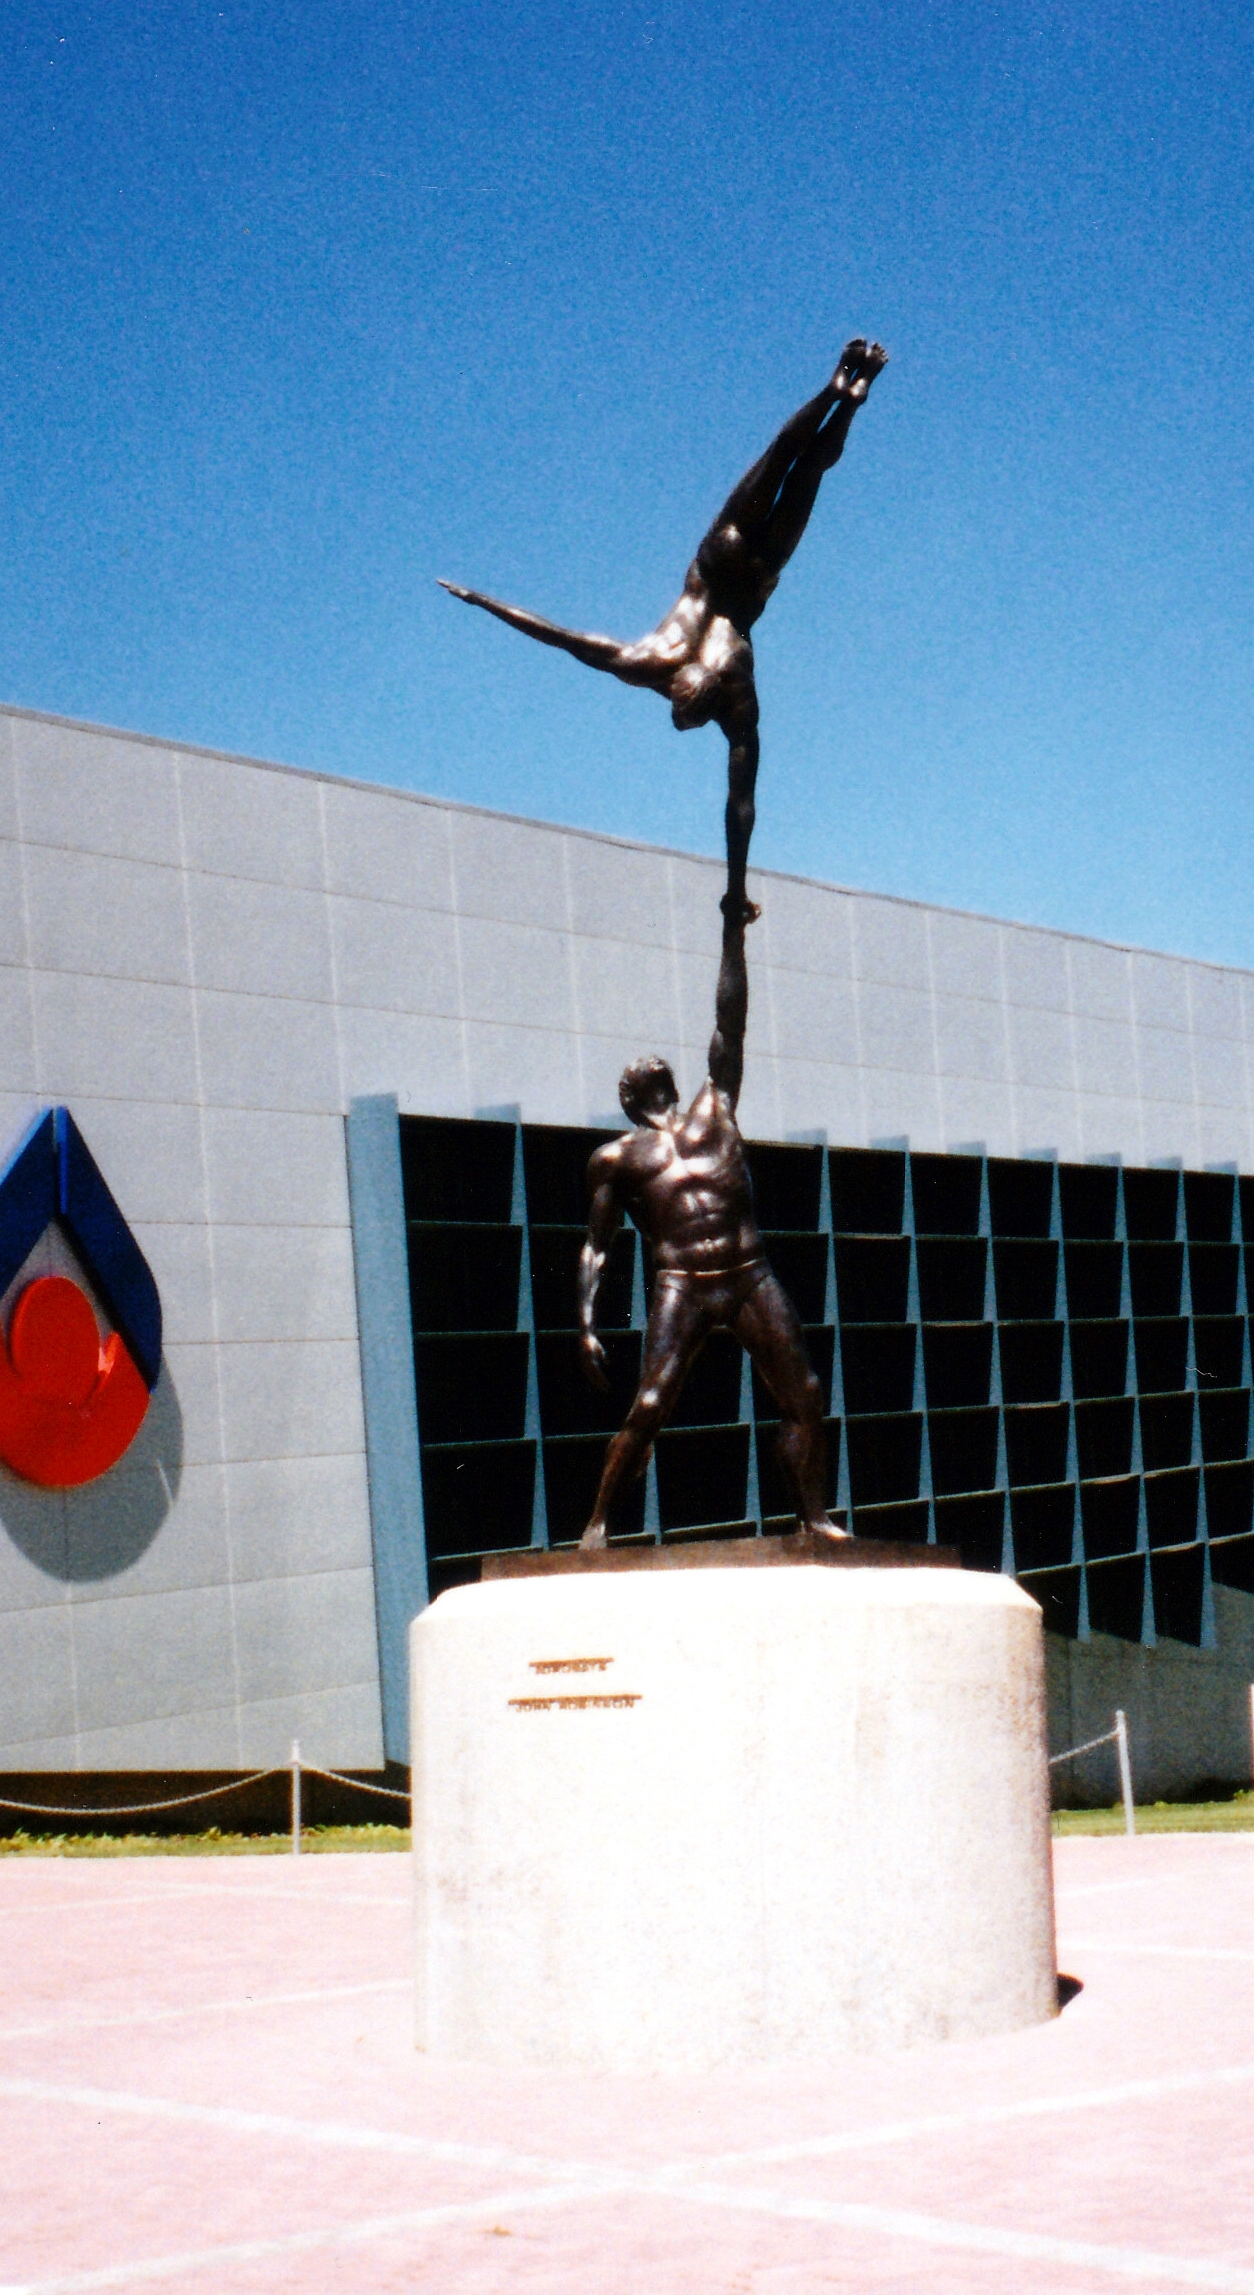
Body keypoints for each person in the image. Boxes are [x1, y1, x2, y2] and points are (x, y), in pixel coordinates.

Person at [442, 338, 887, 910]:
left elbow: (558, 637)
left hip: (744, 566)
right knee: (793, 463)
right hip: (738, 561)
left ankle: (843, 394)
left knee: (801, 469)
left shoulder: (705, 684)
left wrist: (482, 601)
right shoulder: (675, 673)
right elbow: (559, 638)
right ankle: (842, 393)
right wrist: (735, 888)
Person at [572, 893, 840, 1547]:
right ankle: (597, 1523)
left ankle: (814, 1516)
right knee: (652, 1403)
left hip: (747, 1271)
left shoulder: (714, 1106)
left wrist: (732, 933)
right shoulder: (615, 1158)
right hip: (683, 1280)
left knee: (802, 1392)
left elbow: (730, 1019)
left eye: (652, 1067)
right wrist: (583, 1322)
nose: (647, 1071)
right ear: (631, 1100)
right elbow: (595, 1247)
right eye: (638, 1077)